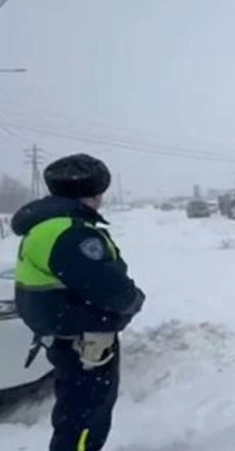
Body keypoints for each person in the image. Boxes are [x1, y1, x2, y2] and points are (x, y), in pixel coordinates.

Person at [11, 153, 145, 451]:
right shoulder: (71, 233)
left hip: (66, 336)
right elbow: (111, 289)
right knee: (87, 421)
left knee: (72, 415)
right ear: (93, 194)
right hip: (85, 342)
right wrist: (135, 301)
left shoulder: (46, 227)